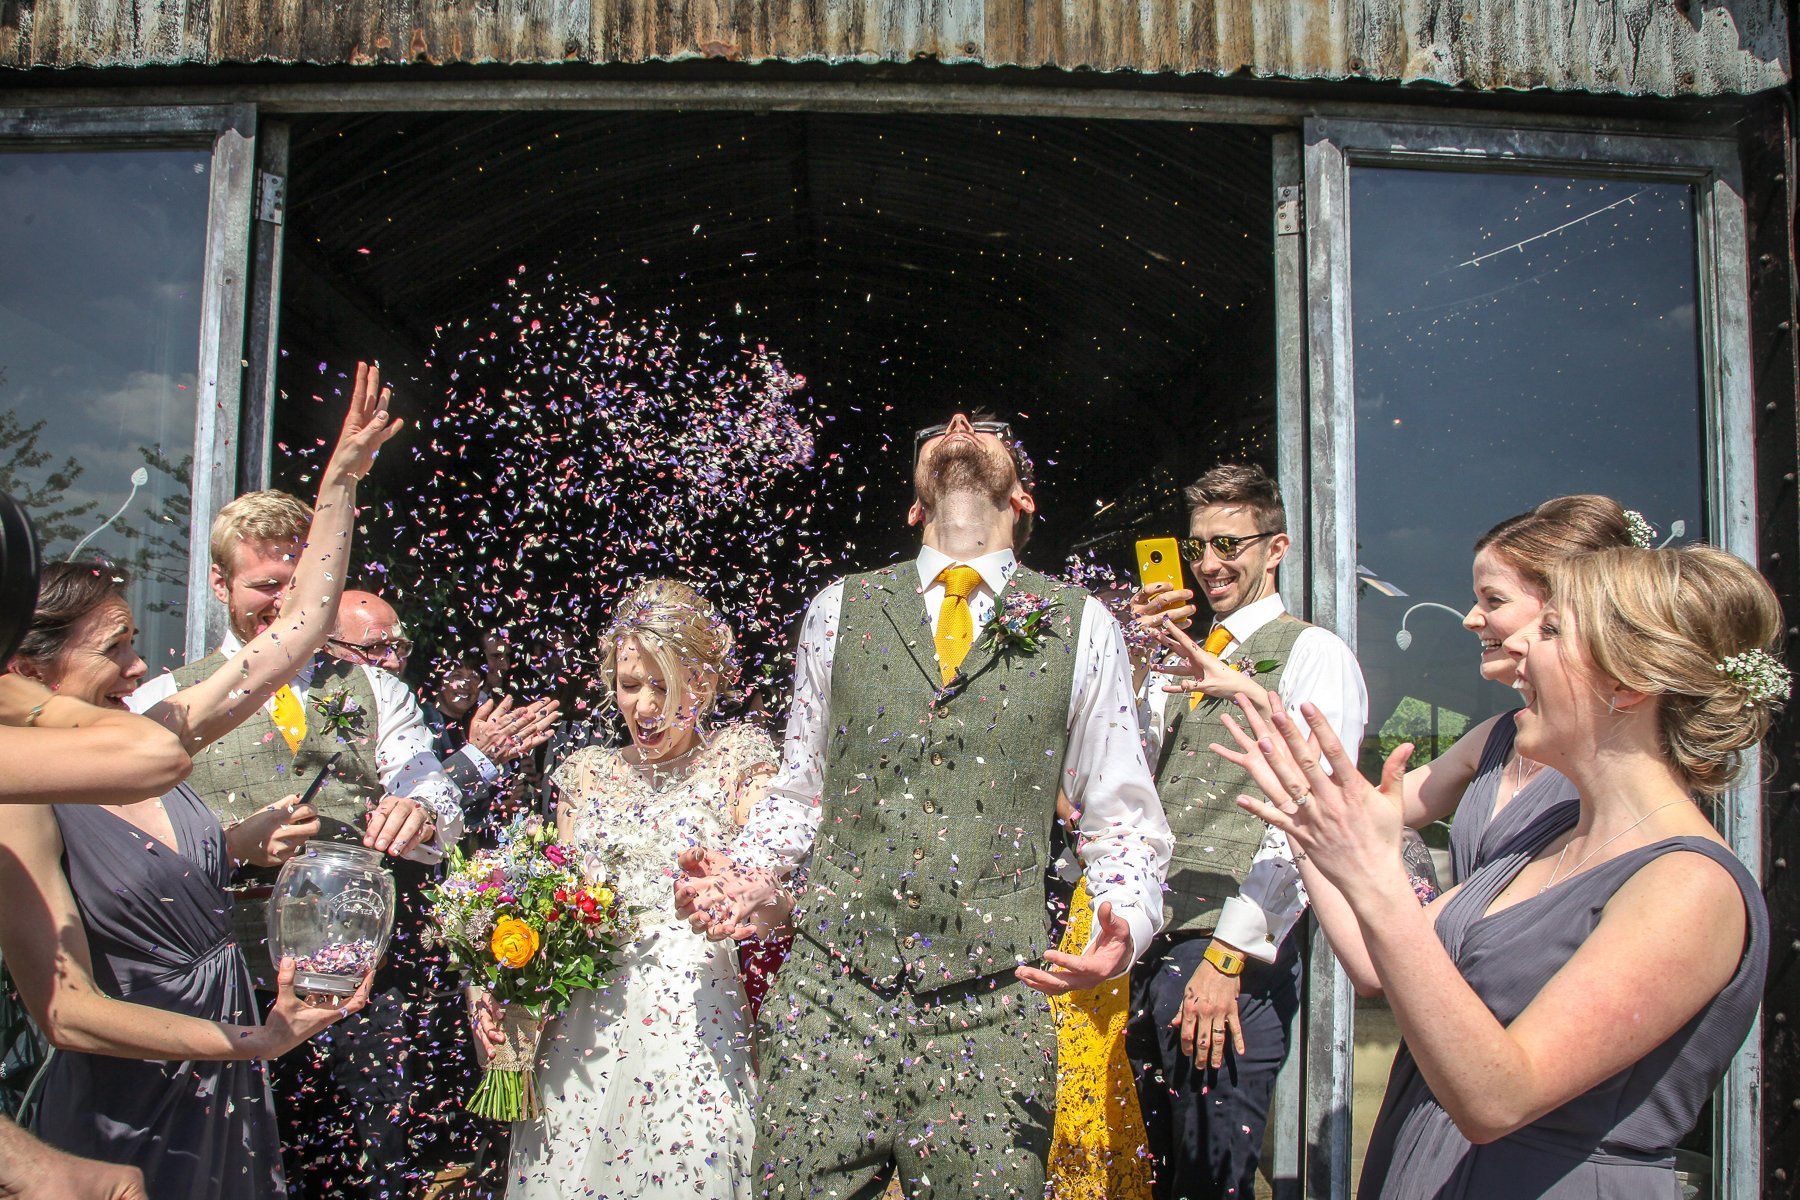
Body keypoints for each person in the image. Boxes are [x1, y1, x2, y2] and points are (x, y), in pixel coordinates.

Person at [677, 412, 1174, 1199]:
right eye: (937, 432)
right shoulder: (838, 611)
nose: (960, 425)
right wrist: (747, 872)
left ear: (1025, 498)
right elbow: (803, 792)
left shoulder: (1084, 628)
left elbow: (1122, 820)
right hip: (827, 1002)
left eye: (991, 428)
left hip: (991, 1011)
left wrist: (1127, 918)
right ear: (915, 505)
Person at [1217, 544, 1778, 1198]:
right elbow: (1380, 966)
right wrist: (1310, 827)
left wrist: (1375, 876)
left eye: (1553, 629)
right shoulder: (1544, 839)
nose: (1519, 645)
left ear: (1629, 684)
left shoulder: (1690, 886)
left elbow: (1499, 1099)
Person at [0, 364, 396, 1196]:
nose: (141, 665)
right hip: (132, 1106)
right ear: (28, 669)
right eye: (113, 650)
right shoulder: (22, 795)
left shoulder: (141, 730)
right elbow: (66, 1012)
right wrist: (252, 1042)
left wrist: (339, 486)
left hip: (230, 1075)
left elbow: (296, 632)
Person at [130, 381, 461, 1200]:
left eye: (294, 583)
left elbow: (434, 795)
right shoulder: (162, 698)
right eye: (262, 588)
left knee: (372, 1157)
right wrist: (227, 844)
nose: (282, 604)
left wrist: (422, 811)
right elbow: (127, 841)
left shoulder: (376, 690)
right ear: (218, 586)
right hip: (220, 975)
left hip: (358, 980)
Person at [470, 578, 778, 1199]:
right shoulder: (586, 774)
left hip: (698, 1010)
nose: (644, 706)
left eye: (664, 685)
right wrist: (497, 976)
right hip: (588, 1015)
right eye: (629, 684)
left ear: (706, 684)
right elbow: (555, 903)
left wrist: (737, 891)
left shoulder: (739, 760)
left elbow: (775, 886)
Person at [1126, 462, 1366, 1200]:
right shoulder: (1189, 656)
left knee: (1208, 1181)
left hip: (1228, 962)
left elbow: (1307, 816)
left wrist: (1229, 954)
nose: (1207, 565)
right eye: (1197, 547)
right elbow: (1125, 784)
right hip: (1153, 946)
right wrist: (1136, 666)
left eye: (1229, 544)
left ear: (1278, 546)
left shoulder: (1313, 652)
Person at [1392, 495, 1634, 884]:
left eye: (1494, 600)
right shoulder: (1495, 736)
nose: (1471, 619)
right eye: (1476, 601)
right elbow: (1373, 811)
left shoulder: (1614, 751)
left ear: (1566, 607)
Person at [332, 592, 560, 824]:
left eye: (399, 648)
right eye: (376, 647)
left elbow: (428, 798)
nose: (393, 661)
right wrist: (480, 757)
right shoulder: (426, 717)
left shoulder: (466, 721)